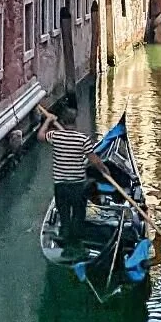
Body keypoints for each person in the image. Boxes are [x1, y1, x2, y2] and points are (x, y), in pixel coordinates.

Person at [39, 96, 96, 242]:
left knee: (64, 215)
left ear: (62, 122)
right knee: (78, 214)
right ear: (75, 122)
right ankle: (77, 241)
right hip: (77, 185)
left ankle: (65, 239)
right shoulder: (83, 139)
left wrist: (48, 120)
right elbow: (93, 159)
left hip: (61, 186)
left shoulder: (55, 136)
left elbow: (40, 136)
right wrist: (104, 170)